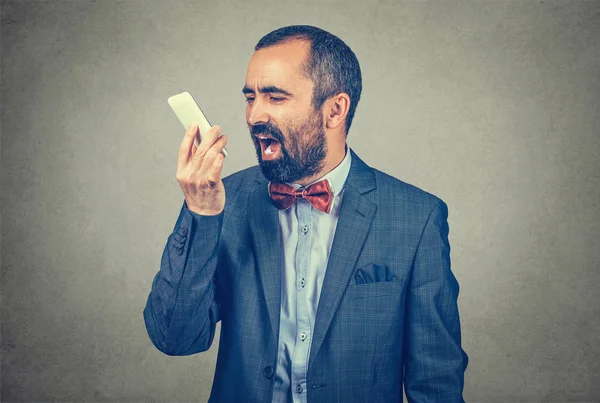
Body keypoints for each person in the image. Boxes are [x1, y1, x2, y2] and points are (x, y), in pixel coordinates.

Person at [144, 25, 468, 403]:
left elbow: (436, 382)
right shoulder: (221, 201)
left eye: (275, 98)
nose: (254, 116)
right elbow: (175, 338)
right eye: (251, 97)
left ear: (334, 110)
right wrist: (201, 214)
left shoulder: (417, 217)